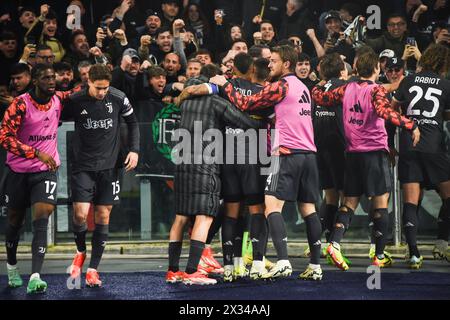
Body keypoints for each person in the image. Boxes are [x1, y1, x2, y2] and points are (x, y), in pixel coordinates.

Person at [209, 45, 323, 281]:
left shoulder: (281, 85)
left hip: (286, 152)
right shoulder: (304, 87)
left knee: (271, 207)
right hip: (309, 153)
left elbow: (246, 104)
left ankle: (283, 261)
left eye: (274, 60)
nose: (269, 64)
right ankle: (315, 265)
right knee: (308, 209)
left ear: (286, 64)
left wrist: (225, 83)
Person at [311, 50, 420, 270]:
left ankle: (333, 243)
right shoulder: (375, 89)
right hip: (374, 153)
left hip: (352, 154)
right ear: (377, 69)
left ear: (357, 69)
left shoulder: (346, 88)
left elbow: (319, 96)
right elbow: (384, 111)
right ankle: (378, 254)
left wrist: (317, 83)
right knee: (380, 203)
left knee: (349, 203)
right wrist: (411, 125)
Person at [166, 67, 263, 286]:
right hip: (204, 165)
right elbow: (245, 123)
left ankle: (173, 270)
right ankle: (192, 271)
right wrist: (266, 120)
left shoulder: (184, 104)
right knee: (204, 216)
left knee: (180, 217)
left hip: (181, 164)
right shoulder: (215, 102)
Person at [64, 64, 139, 288]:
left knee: (103, 215)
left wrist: (134, 150)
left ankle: (93, 270)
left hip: (110, 167)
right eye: (98, 88)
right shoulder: (75, 101)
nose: (102, 92)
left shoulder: (118, 98)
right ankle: (80, 250)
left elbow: (133, 123)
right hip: (83, 165)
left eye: (105, 88)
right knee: (80, 215)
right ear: (88, 82)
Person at [0, 64, 70, 294]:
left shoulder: (59, 98)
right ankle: (11, 267)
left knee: (42, 217)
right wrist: (35, 152)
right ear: (35, 81)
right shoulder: (20, 104)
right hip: (18, 172)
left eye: (53, 77)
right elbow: (4, 137)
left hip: (45, 171)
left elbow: (81, 92)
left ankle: (36, 276)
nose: (52, 81)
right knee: (14, 223)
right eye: (46, 78)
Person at [392, 44, 450, 268]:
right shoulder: (445, 84)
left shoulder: (407, 81)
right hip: (434, 147)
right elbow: (445, 114)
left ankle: (413, 252)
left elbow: (392, 108)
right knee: (448, 196)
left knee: (410, 201)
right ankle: (442, 241)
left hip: (409, 145)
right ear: (443, 64)